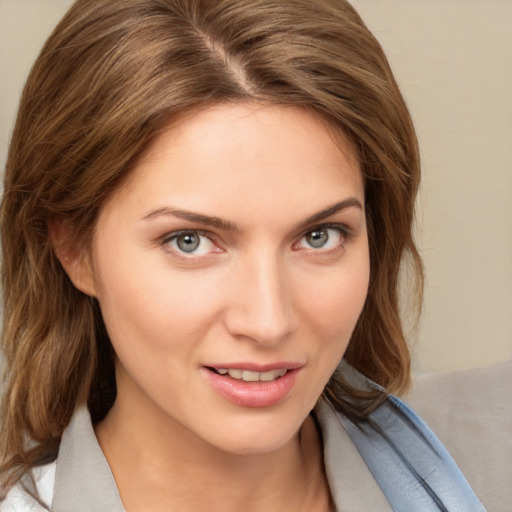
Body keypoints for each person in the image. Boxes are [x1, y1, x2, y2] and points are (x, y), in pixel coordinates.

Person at [0, 0, 487, 510]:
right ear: (74, 249)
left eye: (320, 236)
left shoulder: (492, 459)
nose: (268, 321)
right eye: (189, 241)